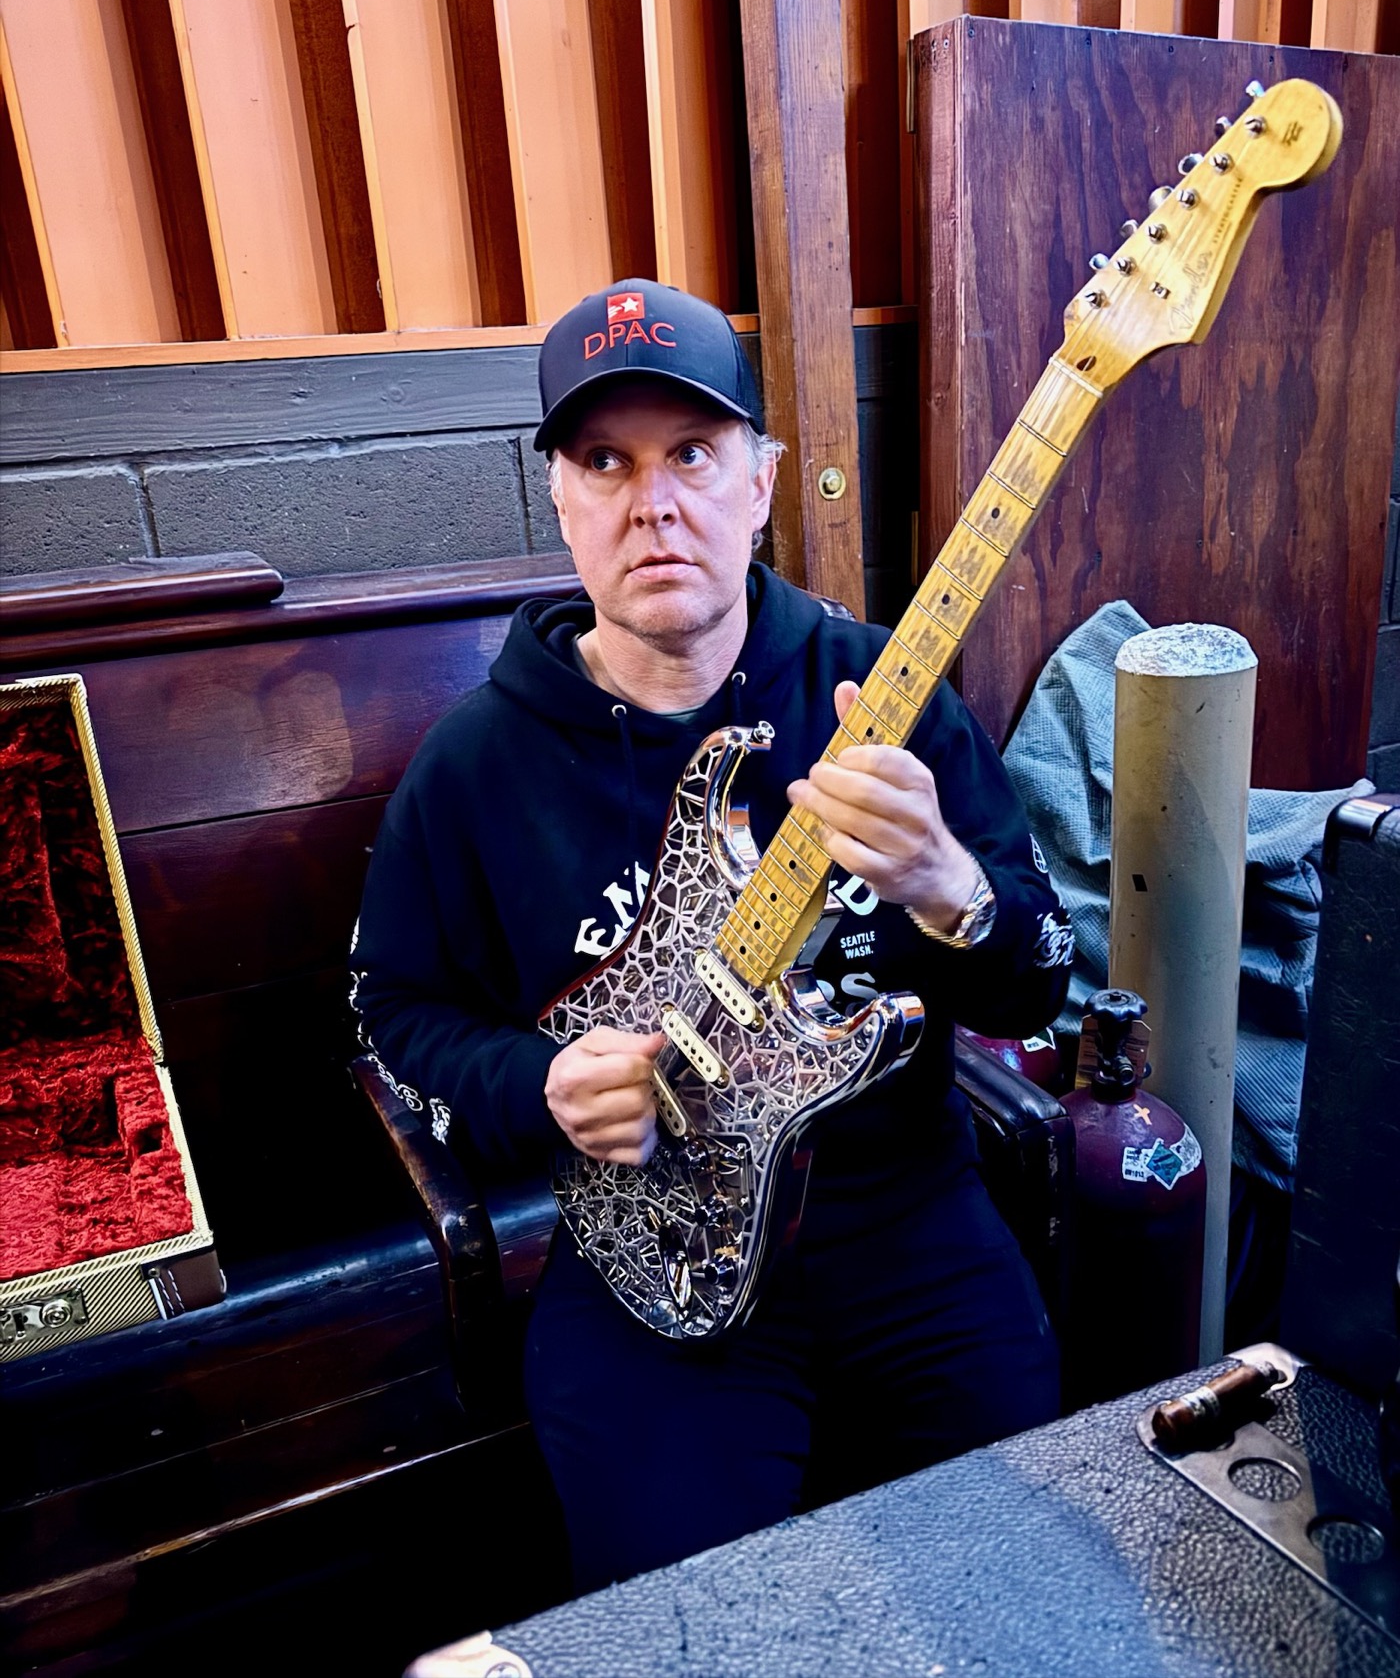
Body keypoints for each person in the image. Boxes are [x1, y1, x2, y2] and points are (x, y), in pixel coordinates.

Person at [350, 279, 1074, 1593]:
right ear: (560, 498)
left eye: (692, 452)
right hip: (651, 1253)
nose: (654, 502)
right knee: (680, 1622)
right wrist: (537, 1085)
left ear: (761, 482)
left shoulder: (885, 693)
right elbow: (395, 1012)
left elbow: (1037, 983)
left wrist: (948, 884)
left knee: (1017, 1579)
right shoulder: (472, 770)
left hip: (907, 1224)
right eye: (605, 461)